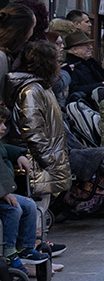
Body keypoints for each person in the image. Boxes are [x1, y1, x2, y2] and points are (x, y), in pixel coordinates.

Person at [5, 41, 72, 217]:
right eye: (57, 61)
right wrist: (50, 159)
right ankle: (35, 242)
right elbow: (32, 131)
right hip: (36, 162)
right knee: (38, 207)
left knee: (42, 205)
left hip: (43, 159)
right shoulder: (32, 90)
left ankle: (40, 240)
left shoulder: (41, 87)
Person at [0, 105, 48, 269]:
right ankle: (9, 251)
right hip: (2, 194)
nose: (3, 128)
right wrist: (4, 193)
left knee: (29, 204)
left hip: (4, 192)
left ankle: (25, 248)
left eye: (4, 123)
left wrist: (20, 154)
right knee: (14, 209)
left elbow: (5, 150)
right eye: (0, 124)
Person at [0, 4, 36, 104]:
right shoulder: (1, 56)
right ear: (23, 30)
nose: (32, 33)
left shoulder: (8, 54)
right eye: (32, 28)